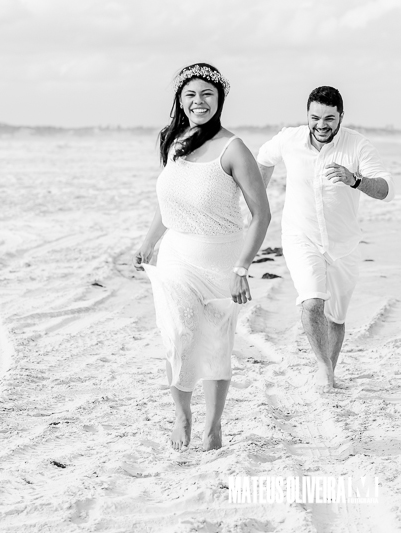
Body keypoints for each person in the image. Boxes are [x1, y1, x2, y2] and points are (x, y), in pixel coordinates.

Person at [133, 63, 271, 451]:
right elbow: (169, 202)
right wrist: (147, 243)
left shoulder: (233, 149)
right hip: (176, 256)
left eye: (208, 94)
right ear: (180, 100)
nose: (199, 101)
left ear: (219, 100)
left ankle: (213, 425)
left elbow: (261, 215)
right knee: (178, 334)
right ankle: (182, 414)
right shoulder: (174, 141)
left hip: (221, 261)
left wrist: (242, 268)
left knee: (216, 345)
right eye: (191, 94)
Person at [256, 86, 394, 390]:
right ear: (307, 115)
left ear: (341, 116)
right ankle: (323, 368)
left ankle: (329, 370)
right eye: (315, 117)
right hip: (300, 236)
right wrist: (258, 204)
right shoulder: (289, 139)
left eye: (329, 118)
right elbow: (263, 160)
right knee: (311, 302)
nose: (321, 125)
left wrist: (354, 180)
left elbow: (386, 190)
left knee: (336, 318)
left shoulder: (357, 145)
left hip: (344, 244)